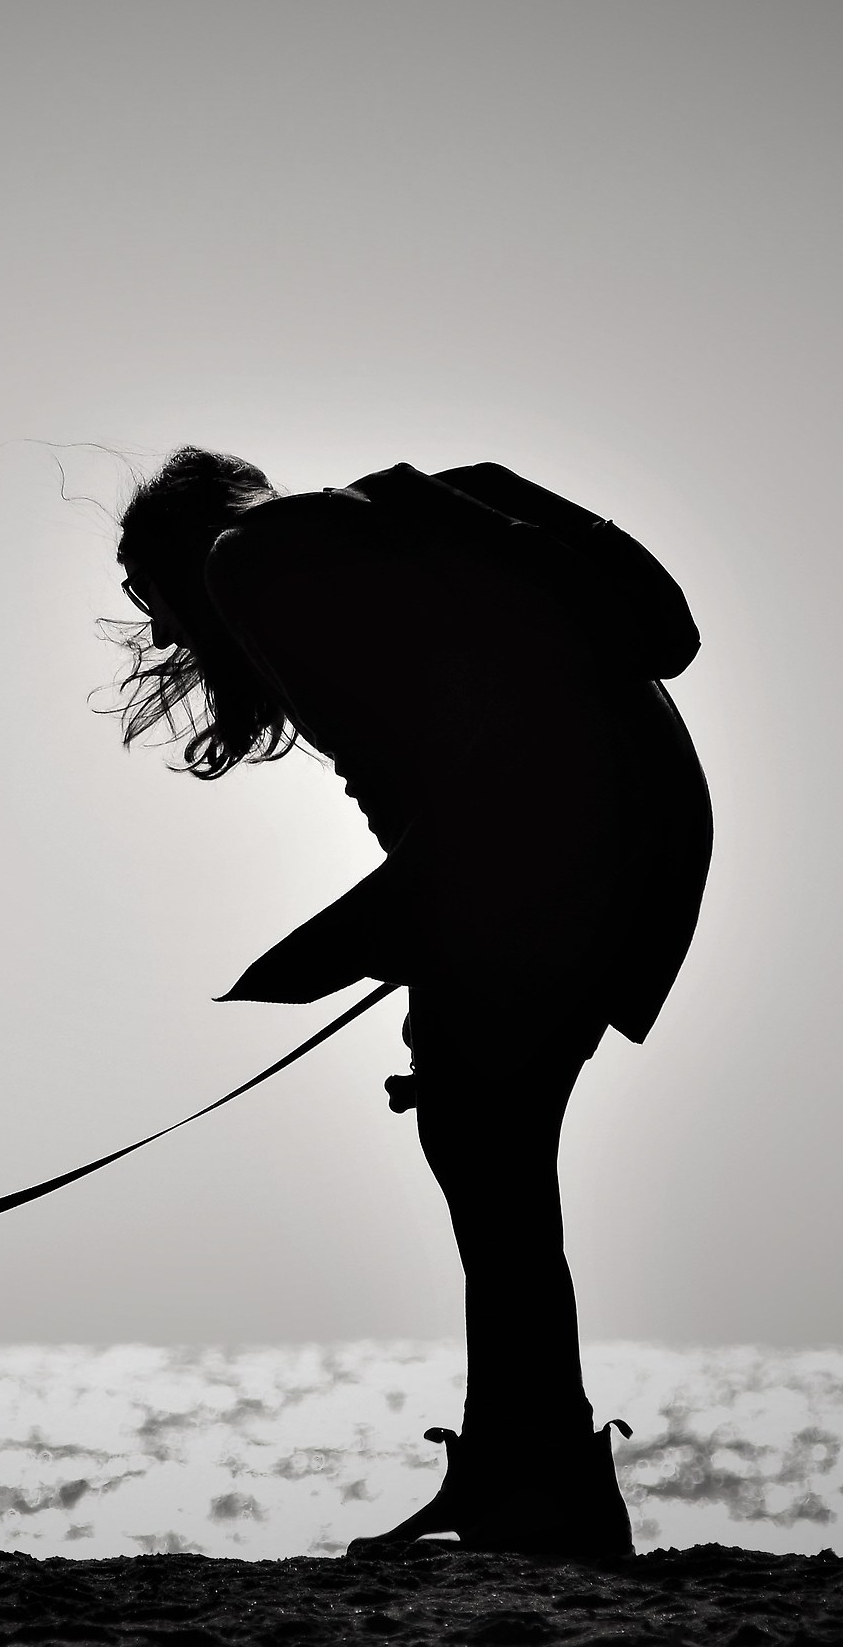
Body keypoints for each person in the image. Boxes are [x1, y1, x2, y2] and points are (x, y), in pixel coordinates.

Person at [106, 448, 711, 1557]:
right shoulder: (374, 529)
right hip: (630, 833)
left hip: (554, 847)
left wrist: (414, 912)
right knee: (491, 1152)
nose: (162, 637)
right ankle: (521, 1469)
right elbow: (460, 722)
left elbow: (458, 748)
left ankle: (540, 1483)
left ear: (184, 549)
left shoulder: (249, 556)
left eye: (149, 593)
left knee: (489, 1155)